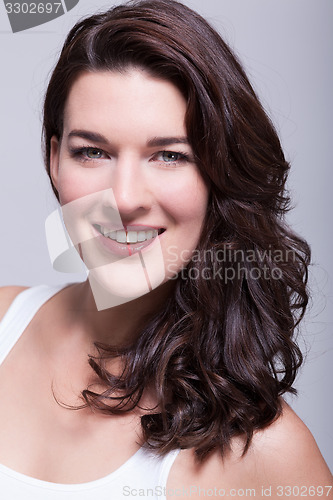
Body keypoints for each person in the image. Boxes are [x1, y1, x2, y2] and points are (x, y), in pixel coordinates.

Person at [0, 0, 331, 497]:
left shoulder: (265, 453)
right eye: (93, 151)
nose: (125, 198)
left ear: (220, 172)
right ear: (53, 159)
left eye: (169, 156)